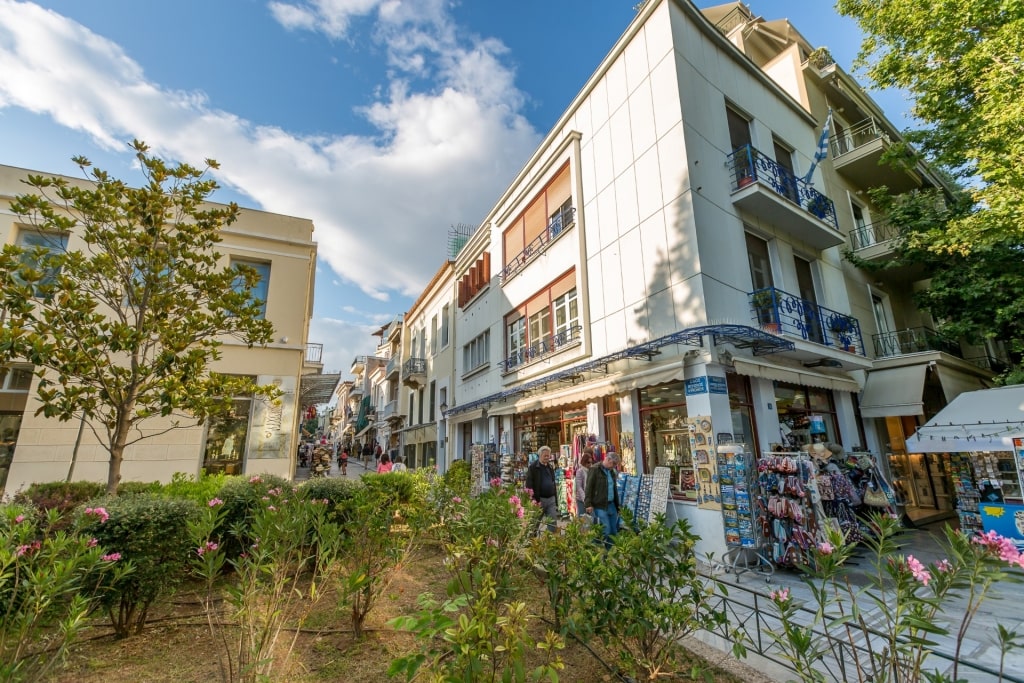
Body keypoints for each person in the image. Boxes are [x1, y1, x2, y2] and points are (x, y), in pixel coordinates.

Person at [585, 452, 622, 547]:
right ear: (608, 460)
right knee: (606, 530)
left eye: (615, 465)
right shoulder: (594, 469)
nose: (614, 466)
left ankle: (609, 555)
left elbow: (614, 489)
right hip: (600, 504)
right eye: (613, 464)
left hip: (612, 504)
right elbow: (589, 487)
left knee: (613, 531)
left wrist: (618, 506)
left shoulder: (612, 472)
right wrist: (588, 504)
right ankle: (593, 547)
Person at [525, 445, 558, 532]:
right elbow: (529, 485)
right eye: (545, 456)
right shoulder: (533, 468)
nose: (547, 457)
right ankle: (532, 541)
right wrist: (533, 499)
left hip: (551, 499)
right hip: (539, 500)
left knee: (553, 523)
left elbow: (553, 483)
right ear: (540, 455)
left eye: (548, 455)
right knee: (535, 523)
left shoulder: (550, 467)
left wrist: (555, 499)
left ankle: (552, 542)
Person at [574, 449, 595, 516]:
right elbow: (579, 487)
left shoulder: (592, 471)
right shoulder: (580, 471)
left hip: (591, 498)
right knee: (583, 519)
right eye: (588, 462)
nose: (590, 464)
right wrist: (585, 499)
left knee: (592, 518)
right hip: (581, 499)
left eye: (591, 462)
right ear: (584, 462)